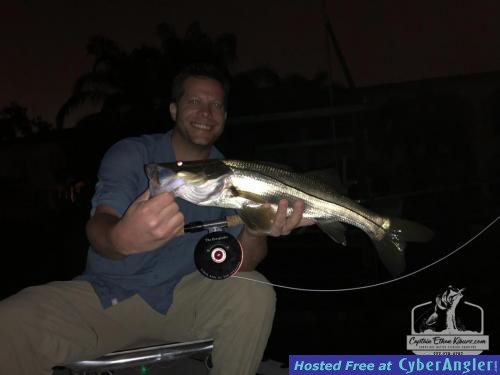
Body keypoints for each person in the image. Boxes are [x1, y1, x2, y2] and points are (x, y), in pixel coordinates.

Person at [0, 62, 310, 375]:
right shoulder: (132, 154)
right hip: (108, 296)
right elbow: (100, 225)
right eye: (194, 102)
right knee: (11, 321)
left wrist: (257, 230)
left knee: (254, 290)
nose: (206, 112)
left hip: (187, 300)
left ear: (225, 118)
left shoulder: (236, 175)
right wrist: (119, 238)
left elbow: (244, 265)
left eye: (216, 105)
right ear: (173, 110)